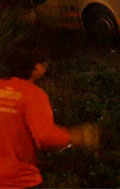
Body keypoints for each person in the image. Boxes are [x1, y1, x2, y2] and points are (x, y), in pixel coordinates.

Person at [0, 44, 100, 188]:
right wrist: (77, 136)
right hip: (17, 179)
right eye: (43, 63)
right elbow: (45, 136)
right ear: (35, 67)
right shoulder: (33, 95)